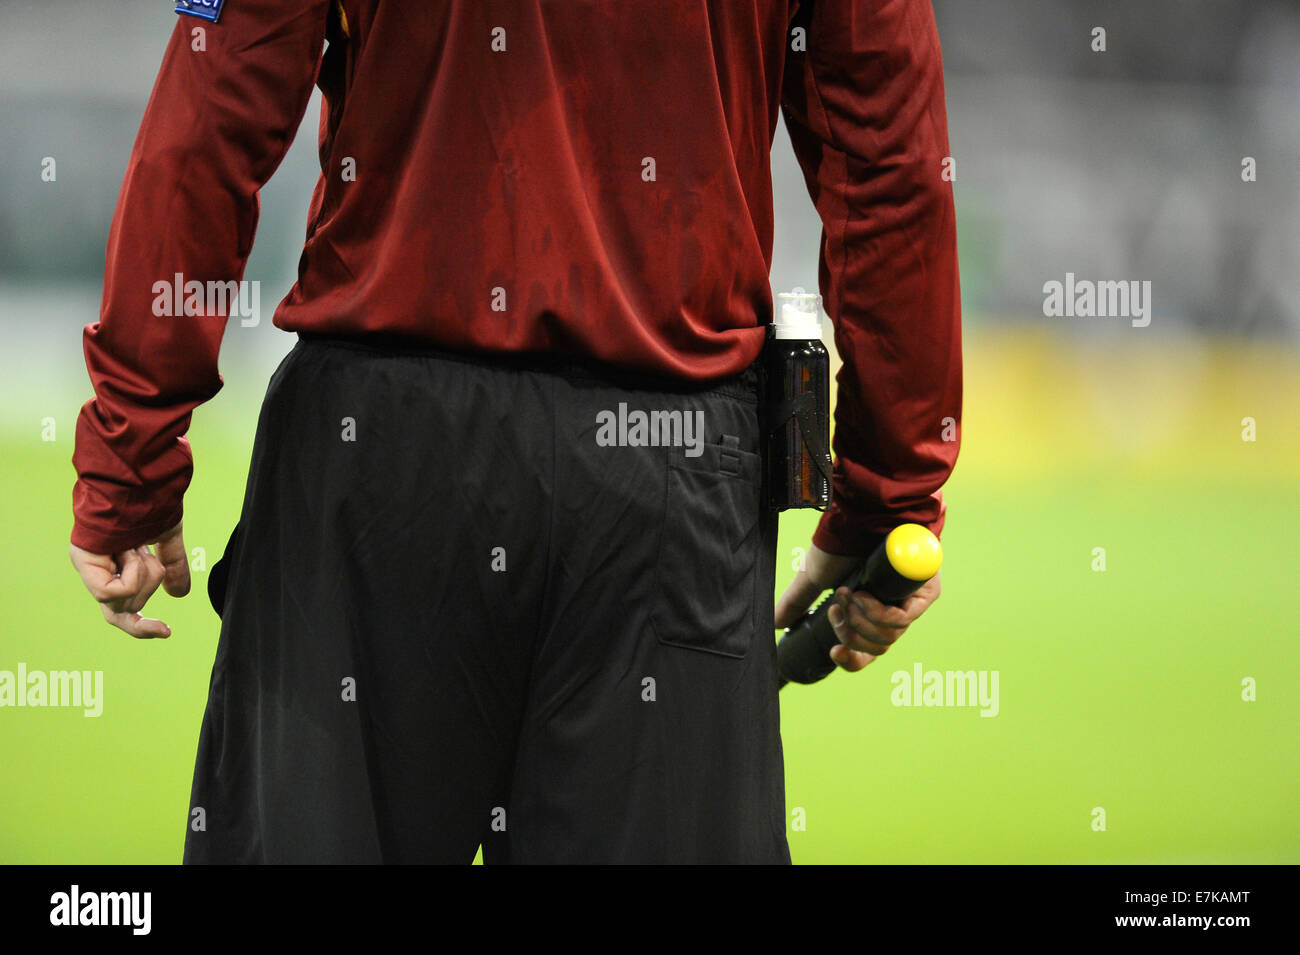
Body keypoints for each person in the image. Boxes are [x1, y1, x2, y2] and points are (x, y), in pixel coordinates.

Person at [69, 0, 960, 864]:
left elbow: (211, 113)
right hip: (669, 477)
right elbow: (890, 160)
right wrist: (891, 496)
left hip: (376, 456)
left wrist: (133, 453)